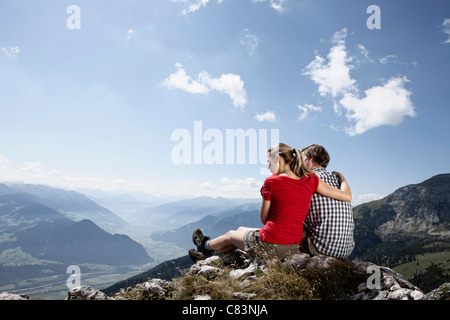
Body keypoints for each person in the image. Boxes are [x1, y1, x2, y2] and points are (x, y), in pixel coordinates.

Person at [188, 143, 352, 262]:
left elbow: (265, 220)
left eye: (269, 162)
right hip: (301, 244)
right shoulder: (315, 180)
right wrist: (342, 178)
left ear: (279, 160)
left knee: (232, 234)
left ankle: (205, 244)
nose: (268, 166)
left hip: (283, 246)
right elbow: (346, 196)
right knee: (240, 231)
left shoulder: (279, 181)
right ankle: (210, 256)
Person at [301, 144, 355, 258]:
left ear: (310, 160)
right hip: (345, 251)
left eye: (302, 159)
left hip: (322, 250)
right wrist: (342, 178)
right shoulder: (337, 180)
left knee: (290, 221)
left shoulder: (308, 179)